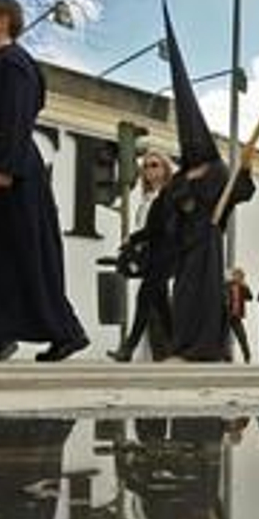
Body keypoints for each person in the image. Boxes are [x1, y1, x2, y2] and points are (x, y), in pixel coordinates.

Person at [0, 0, 88, 362]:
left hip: (10, 170)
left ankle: (65, 331)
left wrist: (6, 167)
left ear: (2, 20)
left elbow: (18, 114)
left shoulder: (15, 63)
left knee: (25, 252)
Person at [160, 2, 256, 362]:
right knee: (183, 294)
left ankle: (206, 347)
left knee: (205, 294)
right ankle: (183, 345)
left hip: (209, 239)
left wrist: (245, 170)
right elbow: (171, 205)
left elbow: (240, 194)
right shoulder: (181, 176)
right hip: (187, 244)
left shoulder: (217, 172)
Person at [108, 148, 176, 362]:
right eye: (146, 166)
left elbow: (159, 228)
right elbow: (146, 225)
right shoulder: (147, 197)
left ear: (166, 169)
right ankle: (179, 346)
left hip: (164, 254)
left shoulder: (168, 195)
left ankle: (128, 348)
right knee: (161, 304)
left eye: (155, 165)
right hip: (152, 255)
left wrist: (132, 239)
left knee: (145, 297)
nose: (149, 169)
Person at [224, 267, 253, 363]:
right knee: (225, 337)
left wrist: (245, 286)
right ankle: (227, 356)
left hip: (237, 316)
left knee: (242, 336)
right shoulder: (227, 285)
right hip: (227, 315)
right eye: (236, 275)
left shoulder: (242, 287)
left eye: (240, 276)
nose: (238, 277)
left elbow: (250, 297)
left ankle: (247, 357)